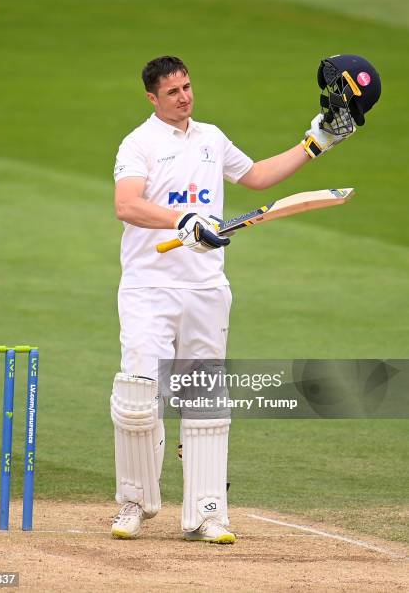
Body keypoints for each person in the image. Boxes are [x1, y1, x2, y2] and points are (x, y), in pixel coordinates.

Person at [110, 55, 360, 543]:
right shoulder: (138, 144)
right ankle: (134, 504)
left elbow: (259, 177)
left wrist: (317, 142)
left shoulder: (211, 138)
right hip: (149, 287)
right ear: (151, 98)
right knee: (139, 395)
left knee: (203, 398)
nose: (184, 97)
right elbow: (127, 204)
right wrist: (181, 221)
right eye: (172, 92)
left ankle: (207, 513)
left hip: (206, 288)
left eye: (187, 86)